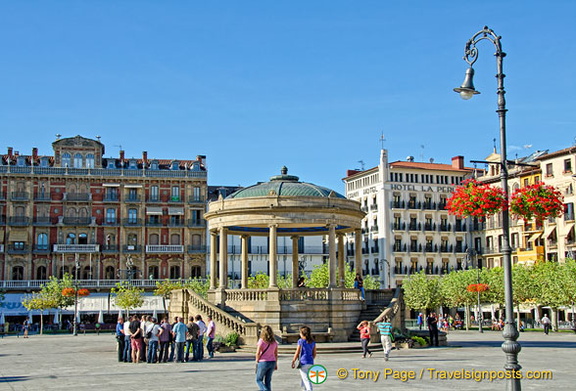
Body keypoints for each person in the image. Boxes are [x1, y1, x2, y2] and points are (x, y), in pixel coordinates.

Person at [291, 326, 316, 391]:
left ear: (302, 334)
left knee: (306, 380)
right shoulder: (312, 342)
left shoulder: (301, 341)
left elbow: (297, 352)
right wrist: (311, 358)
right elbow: (314, 353)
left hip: (303, 362)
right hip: (310, 362)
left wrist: (293, 360)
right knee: (305, 379)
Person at [255, 325, 278, 391]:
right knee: (268, 381)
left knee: (259, 379)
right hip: (272, 361)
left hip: (263, 361)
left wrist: (257, 360)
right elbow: (275, 354)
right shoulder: (274, 342)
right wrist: (276, 364)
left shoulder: (261, 341)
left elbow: (258, 352)